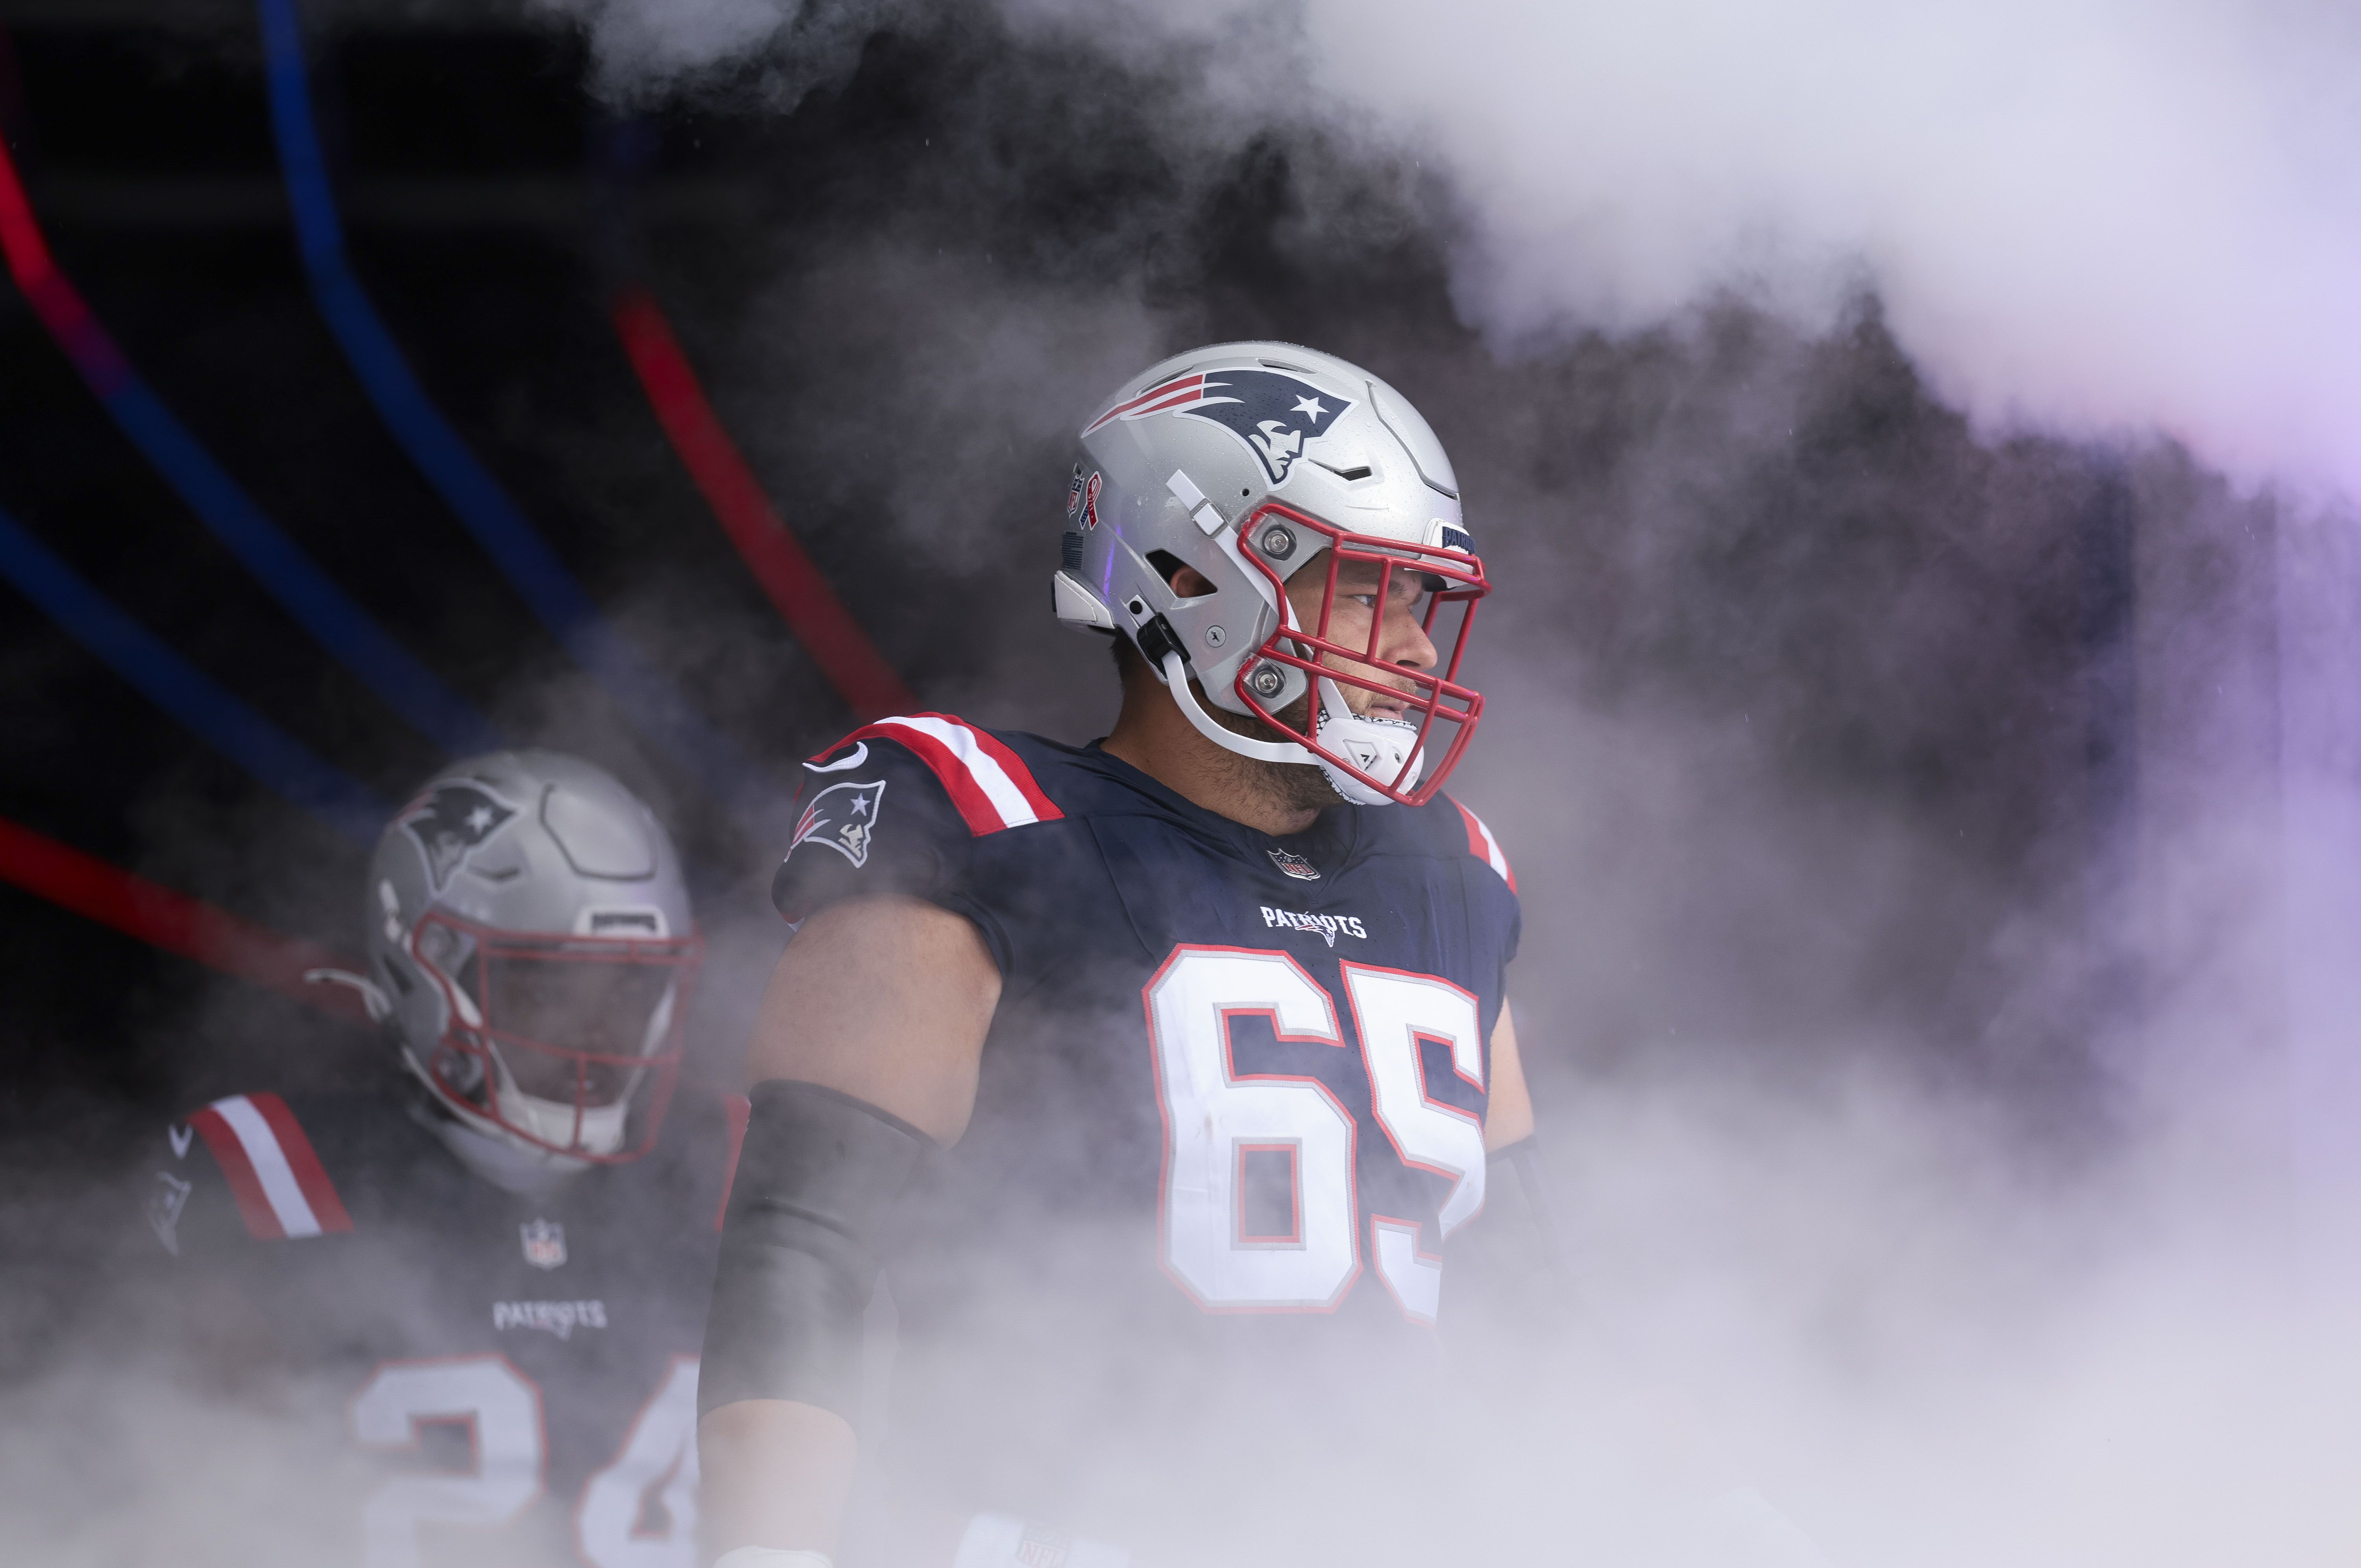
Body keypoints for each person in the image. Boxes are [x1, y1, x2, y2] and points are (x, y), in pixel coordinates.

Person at [697, 344, 1553, 1568]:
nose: (1416, 651)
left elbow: (1520, 1294)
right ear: (1189, 573)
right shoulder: (984, 817)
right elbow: (801, 1245)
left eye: (1422, 602)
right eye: (1368, 591)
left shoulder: (1452, 873)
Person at [142, 750, 723, 1568]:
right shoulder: (276, 1171)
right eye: (546, 985)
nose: (598, 1033)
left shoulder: (729, 1180)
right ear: (421, 970)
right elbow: (179, 1497)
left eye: (628, 987)